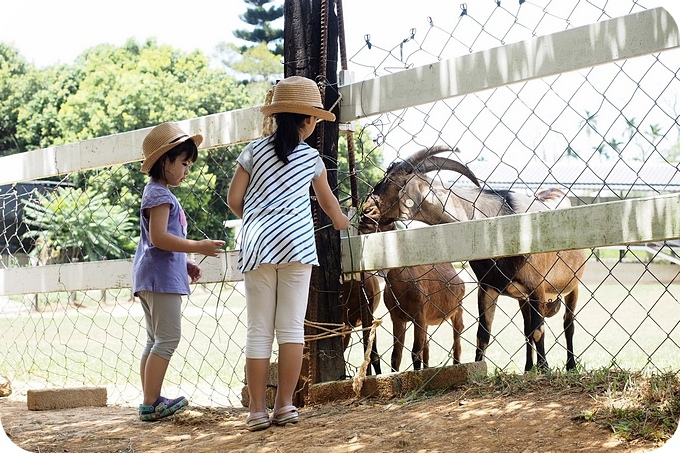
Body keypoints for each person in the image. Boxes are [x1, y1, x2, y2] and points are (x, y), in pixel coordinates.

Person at [227, 76, 351, 431]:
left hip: (256, 245)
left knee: (258, 330)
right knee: (291, 329)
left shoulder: (251, 152)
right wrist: (342, 221)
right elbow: (328, 203)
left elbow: (235, 200)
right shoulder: (312, 159)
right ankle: (284, 405)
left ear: (278, 117)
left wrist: (256, 219)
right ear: (308, 121)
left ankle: (255, 410)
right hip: (297, 246)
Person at [132, 122, 226, 421]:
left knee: (154, 339)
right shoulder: (159, 195)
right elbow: (159, 237)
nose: (187, 170)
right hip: (160, 280)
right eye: (184, 163)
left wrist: (183, 262)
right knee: (168, 339)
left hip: (153, 275)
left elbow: (155, 241)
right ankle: (151, 403)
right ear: (165, 161)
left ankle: (150, 399)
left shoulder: (157, 192)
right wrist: (197, 246)